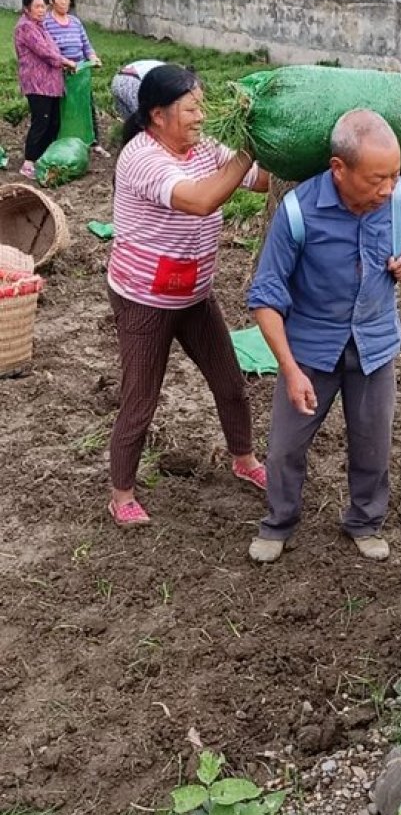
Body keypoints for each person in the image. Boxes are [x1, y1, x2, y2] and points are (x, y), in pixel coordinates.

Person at [247, 109, 401, 565]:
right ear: (339, 170)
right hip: (309, 352)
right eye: (377, 178)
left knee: (373, 442)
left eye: (394, 176)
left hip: (375, 346)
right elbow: (265, 296)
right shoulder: (299, 211)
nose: (387, 188)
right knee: (284, 447)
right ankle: (279, 522)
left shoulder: (399, 197)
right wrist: (288, 368)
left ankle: (364, 521)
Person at [107, 64, 270, 527]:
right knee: (140, 400)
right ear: (157, 115)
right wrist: (246, 151)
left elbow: (255, 180)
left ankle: (243, 458)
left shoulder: (203, 149)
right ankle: (121, 494)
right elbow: (200, 200)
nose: (202, 115)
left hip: (194, 295)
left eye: (203, 105)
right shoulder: (141, 157)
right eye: (192, 107)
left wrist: (279, 145)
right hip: (143, 299)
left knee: (232, 384)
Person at [13, 0, 77, 178]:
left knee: (53, 121)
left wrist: (62, 61)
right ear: (27, 9)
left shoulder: (39, 25)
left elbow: (51, 48)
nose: (42, 10)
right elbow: (44, 52)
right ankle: (28, 162)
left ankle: (43, 158)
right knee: (41, 121)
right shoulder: (26, 27)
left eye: (43, 6)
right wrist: (65, 61)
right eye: (37, 7)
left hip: (50, 83)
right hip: (37, 83)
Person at [42, 0, 107, 156]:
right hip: (60, 73)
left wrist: (92, 57)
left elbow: (86, 44)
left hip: (80, 73)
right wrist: (64, 63)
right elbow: (48, 50)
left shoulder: (75, 22)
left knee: (87, 106)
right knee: (62, 109)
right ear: (51, 1)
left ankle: (94, 142)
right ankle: (60, 143)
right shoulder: (46, 23)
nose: (65, 2)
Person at [111, 59, 165, 123]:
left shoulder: (172, 72)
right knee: (144, 120)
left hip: (119, 78)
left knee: (132, 119)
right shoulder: (176, 80)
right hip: (132, 80)